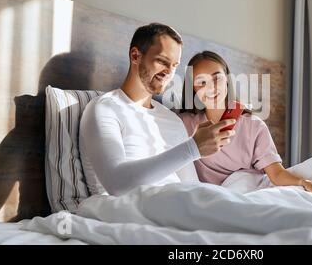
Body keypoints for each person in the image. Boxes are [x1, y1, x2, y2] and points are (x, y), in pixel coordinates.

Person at [79, 23, 236, 196]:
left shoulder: (172, 120)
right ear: (135, 56)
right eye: (162, 61)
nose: (169, 72)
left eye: (175, 65)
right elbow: (117, 184)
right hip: (136, 209)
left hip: (180, 206)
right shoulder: (105, 108)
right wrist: (193, 148)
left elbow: (193, 187)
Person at [179, 51, 312, 196]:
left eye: (217, 78)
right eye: (201, 82)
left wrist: (303, 182)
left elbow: (276, 174)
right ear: (193, 88)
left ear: (227, 79)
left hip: (249, 192)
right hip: (215, 199)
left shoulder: (254, 126)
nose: (211, 87)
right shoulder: (183, 124)